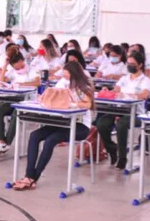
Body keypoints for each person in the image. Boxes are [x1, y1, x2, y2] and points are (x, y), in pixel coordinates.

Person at [13, 61, 94, 190]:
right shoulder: (63, 82)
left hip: (79, 125)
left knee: (51, 140)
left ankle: (33, 177)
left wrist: (74, 104)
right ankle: (29, 175)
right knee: (35, 135)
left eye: (67, 75)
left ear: (74, 74)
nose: (65, 77)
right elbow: (54, 95)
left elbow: (88, 104)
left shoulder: (83, 86)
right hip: (62, 122)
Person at [97, 51, 150, 170]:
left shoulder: (145, 80)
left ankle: (122, 158)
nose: (129, 65)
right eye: (128, 63)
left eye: (133, 63)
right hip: (120, 109)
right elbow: (116, 90)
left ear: (140, 65)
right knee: (101, 123)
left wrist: (129, 95)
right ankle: (112, 149)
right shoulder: (125, 78)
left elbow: (144, 95)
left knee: (121, 125)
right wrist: (108, 91)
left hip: (136, 113)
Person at [0, 50, 41, 154]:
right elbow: (1, 80)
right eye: (17, 68)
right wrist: (5, 65)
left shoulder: (33, 69)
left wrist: (21, 84)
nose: (19, 69)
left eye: (21, 66)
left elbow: (37, 82)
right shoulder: (12, 71)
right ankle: (1, 141)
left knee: (16, 113)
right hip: (15, 98)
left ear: (24, 61)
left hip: (29, 101)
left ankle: (8, 143)